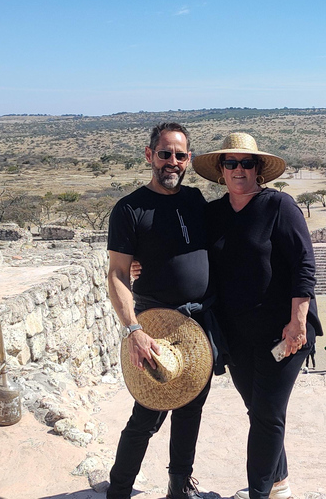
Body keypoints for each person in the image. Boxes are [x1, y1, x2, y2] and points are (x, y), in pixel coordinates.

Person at [193, 132, 322, 499]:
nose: (238, 169)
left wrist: (298, 322)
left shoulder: (279, 206)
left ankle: (259, 493)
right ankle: (279, 480)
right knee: (259, 410)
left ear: (258, 168)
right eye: (230, 162)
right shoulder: (213, 214)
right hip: (236, 334)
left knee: (266, 414)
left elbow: (304, 265)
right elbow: (184, 251)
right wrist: (139, 263)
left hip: (283, 331)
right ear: (220, 169)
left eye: (246, 163)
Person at [106, 122, 211, 499]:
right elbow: (118, 273)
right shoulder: (129, 209)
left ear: (189, 160)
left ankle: (179, 485)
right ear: (149, 155)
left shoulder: (196, 201)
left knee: (190, 409)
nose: (172, 162)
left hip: (199, 327)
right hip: (156, 326)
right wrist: (133, 330)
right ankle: (118, 490)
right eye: (165, 154)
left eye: (180, 155)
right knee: (146, 415)